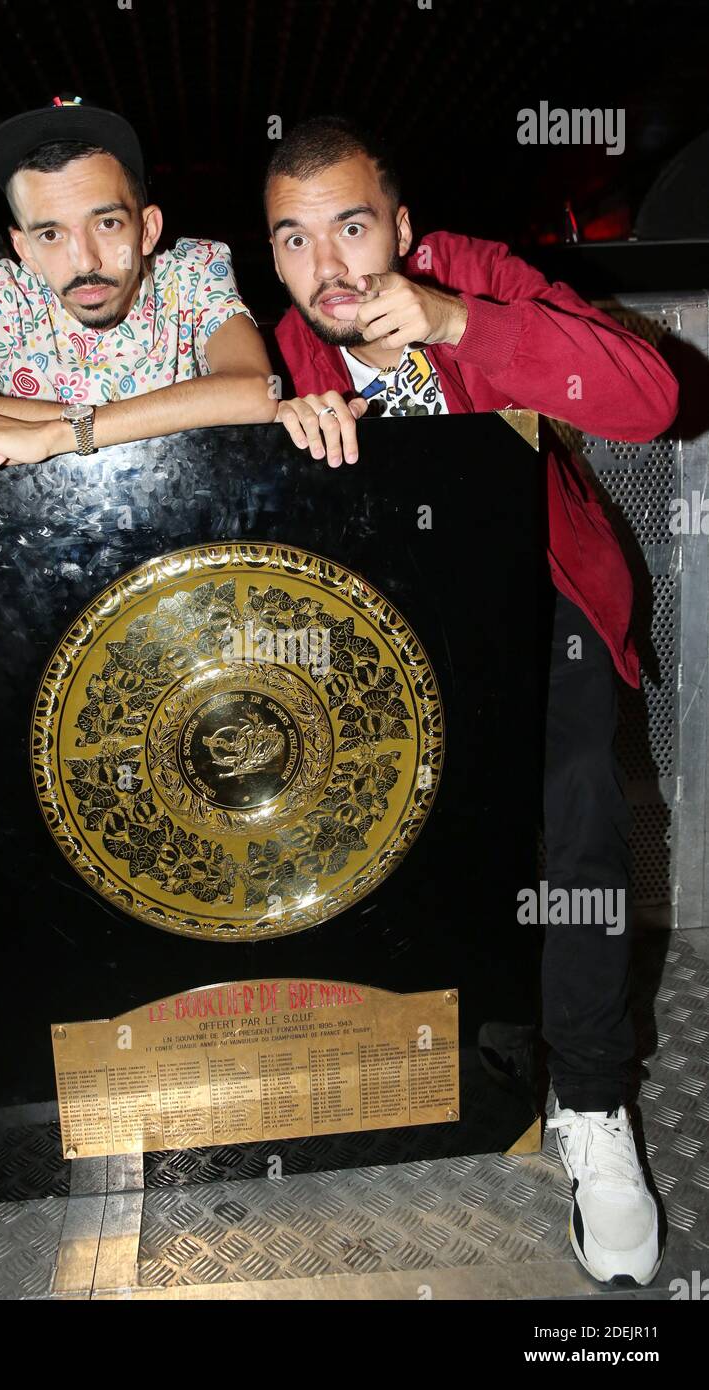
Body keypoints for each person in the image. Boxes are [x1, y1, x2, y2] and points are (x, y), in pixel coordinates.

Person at [266, 115, 680, 1288]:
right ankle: (416, 1068)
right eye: (293, 241)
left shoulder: (471, 275)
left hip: (538, 603)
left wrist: (459, 324)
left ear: (398, 227)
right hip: (380, 636)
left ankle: (591, 1106)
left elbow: (650, 397)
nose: (329, 268)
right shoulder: (275, 344)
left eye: (351, 228)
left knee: (581, 817)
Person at [0, 97, 275, 472]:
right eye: (51, 235)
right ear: (24, 249)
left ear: (147, 230)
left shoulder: (191, 272)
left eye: (107, 224)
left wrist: (64, 433)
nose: (85, 261)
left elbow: (254, 390)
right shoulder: (2, 297)